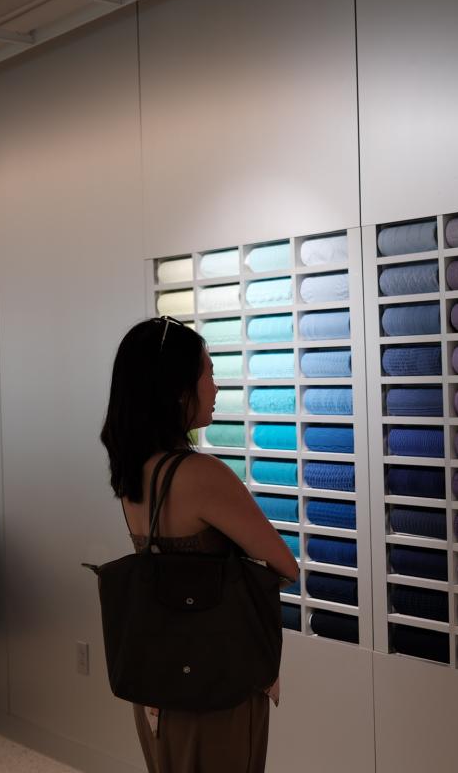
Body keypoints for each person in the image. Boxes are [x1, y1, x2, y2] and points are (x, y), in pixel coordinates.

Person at [100, 315, 299, 772]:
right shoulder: (200, 475)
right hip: (214, 682)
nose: (216, 385)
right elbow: (285, 566)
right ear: (177, 389)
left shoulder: (134, 471)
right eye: (208, 373)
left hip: (158, 682)